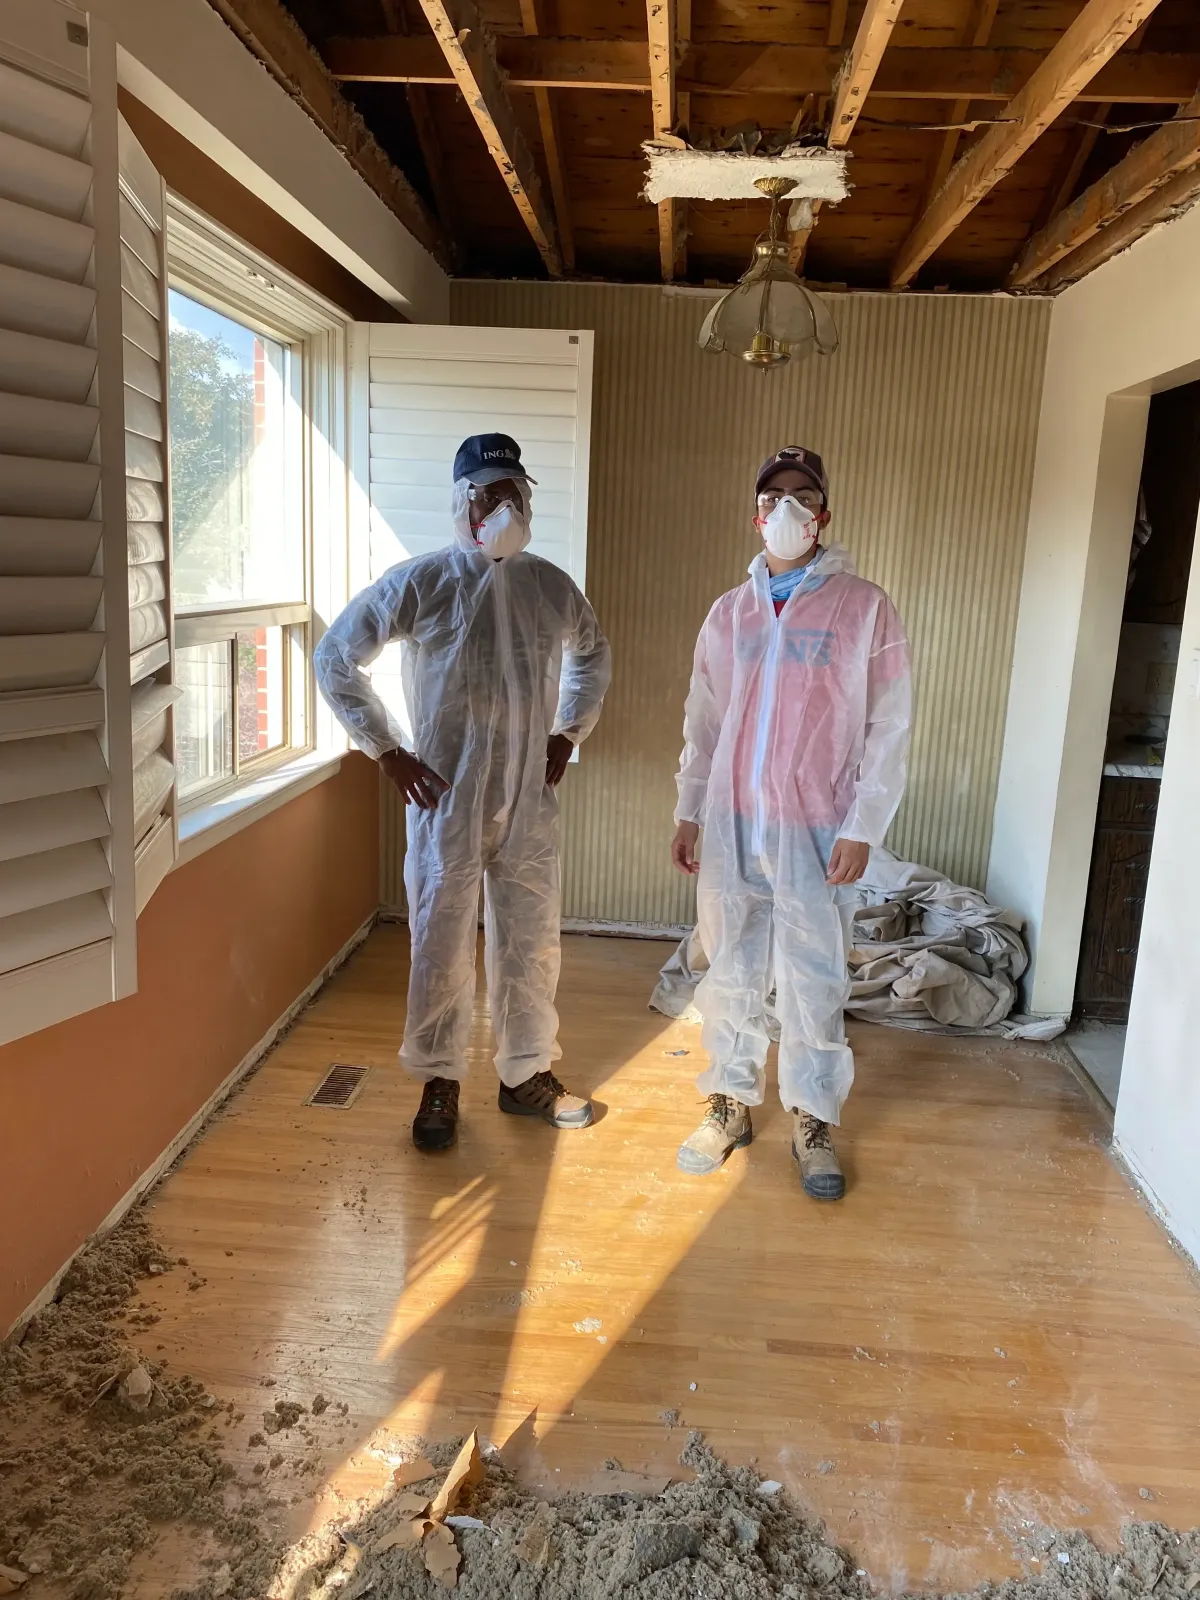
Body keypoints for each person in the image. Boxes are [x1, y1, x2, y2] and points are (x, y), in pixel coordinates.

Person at [315, 433, 611, 1153]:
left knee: (531, 941)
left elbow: (592, 654)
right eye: (487, 492)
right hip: (445, 798)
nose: (503, 505)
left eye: (514, 492)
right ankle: (440, 1080)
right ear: (461, 501)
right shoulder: (419, 583)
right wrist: (386, 750)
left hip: (527, 802)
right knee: (441, 941)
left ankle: (525, 1075)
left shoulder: (548, 585)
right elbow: (336, 656)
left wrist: (569, 733)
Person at [670, 445, 911, 1200]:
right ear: (754, 513)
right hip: (735, 819)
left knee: (813, 972)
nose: (787, 509)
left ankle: (812, 1117)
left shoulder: (864, 607)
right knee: (732, 963)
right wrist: (687, 808)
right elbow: (703, 722)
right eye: (773, 496)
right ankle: (731, 1102)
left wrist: (863, 822)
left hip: (817, 822)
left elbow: (889, 723)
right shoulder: (729, 612)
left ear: (825, 514)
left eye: (803, 496)